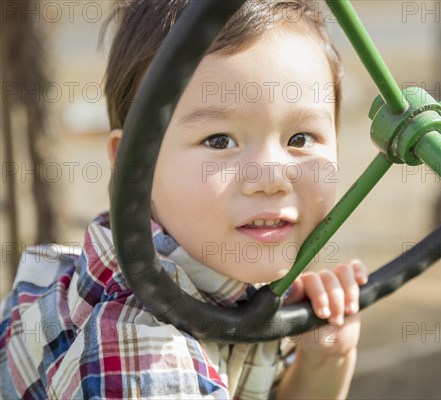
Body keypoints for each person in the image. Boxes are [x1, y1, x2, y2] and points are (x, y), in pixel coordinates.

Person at [0, 0, 368, 398]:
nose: (271, 178)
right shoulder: (144, 359)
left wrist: (326, 359)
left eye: (300, 139)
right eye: (219, 141)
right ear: (133, 166)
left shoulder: (219, 281)